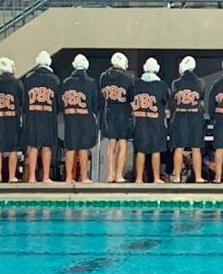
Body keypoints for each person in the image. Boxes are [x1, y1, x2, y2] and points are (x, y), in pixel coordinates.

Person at [20, 51, 60, 184]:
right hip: (48, 116)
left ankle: (31, 177)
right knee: (47, 147)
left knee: (33, 146)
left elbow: (24, 101)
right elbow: (58, 103)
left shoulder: (29, 78)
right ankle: (46, 177)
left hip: (32, 116)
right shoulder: (54, 79)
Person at [167, 57, 206, 184]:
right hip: (195, 117)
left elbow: (172, 100)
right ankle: (198, 177)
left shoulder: (176, 83)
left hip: (180, 116)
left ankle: (177, 176)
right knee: (196, 147)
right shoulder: (200, 82)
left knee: (179, 147)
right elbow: (201, 99)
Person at [98, 53, 136, 184]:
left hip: (109, 113)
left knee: (111, 144)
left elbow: (102, 94)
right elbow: (132, 98)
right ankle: (119, 175)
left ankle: (110, 174)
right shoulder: (128, 78)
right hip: (123, 114)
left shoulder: (103, 77)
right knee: (122, 144)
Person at [61, 55, 98, 184]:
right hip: (85, 119)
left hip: (70, 119)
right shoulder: (91, 82)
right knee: (83, 147)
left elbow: (62, 103)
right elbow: (95, 104)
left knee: (70, 148)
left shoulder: (66, 82)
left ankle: (68, 177)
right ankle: (84, 177)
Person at [132, 58, 170, 185]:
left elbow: (131, 101)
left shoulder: (136, 84)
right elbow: (165, 101)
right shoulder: (161, 85)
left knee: (141, 150)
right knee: (156, 151)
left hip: (140, 122)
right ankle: (156, 178)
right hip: (156, 123)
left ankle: (138, 178)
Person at [0, 57, 24, 184]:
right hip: (11, 120)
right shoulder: (16, 83)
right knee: (12, 149)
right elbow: (21, 102)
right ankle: (11, 176)